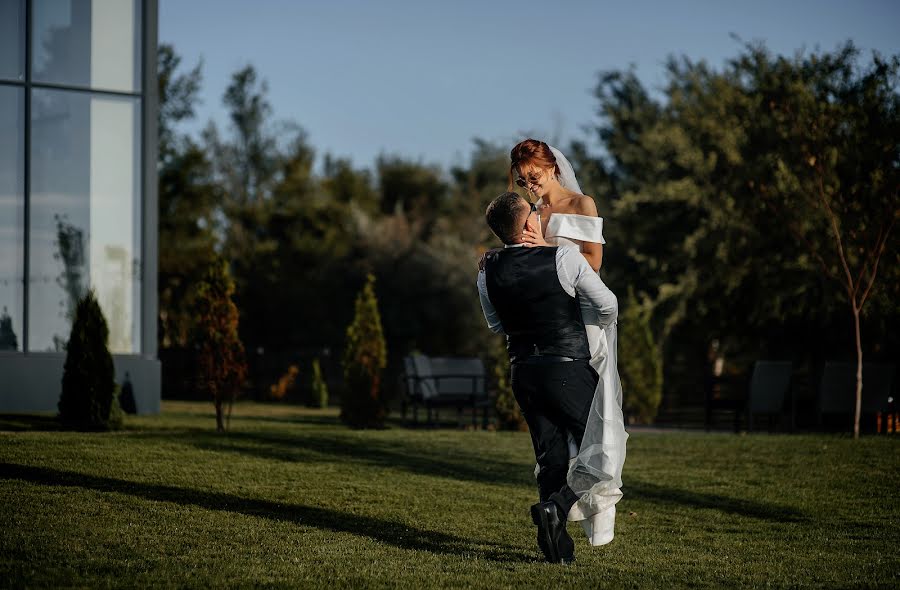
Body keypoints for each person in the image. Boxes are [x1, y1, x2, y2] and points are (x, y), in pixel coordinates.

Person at [477, 191, 619, 563]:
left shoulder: (486, 270)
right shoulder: (564, 256)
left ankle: (557, 550)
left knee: (551, 456)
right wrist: (594, 328)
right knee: (604, 450)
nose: (540, 215)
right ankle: (557, 506)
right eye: (534, 213)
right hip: (568, 367)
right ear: (527, 224)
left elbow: (496, 324)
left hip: (523, 372)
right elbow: (607, 304)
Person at [509, 139, 628, 547]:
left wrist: (548, 249)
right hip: (553, 324)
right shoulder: (532, 213)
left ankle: (581, 513)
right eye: (524, 181)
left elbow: (594, 261)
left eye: (535, 177)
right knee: (563, 437)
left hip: (588, 317)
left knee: (598, 420)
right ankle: (557, 515)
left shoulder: (581, 204)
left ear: (552, 168)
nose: (530, 186)